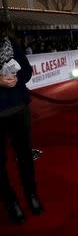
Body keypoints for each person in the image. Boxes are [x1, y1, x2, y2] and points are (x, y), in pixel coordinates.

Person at [0, 19, 43, 224]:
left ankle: (31, 195)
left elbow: (26, 70)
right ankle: (11, 202)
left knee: (25, 156)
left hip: (18, 108)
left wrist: (17, 79)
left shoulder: (10, 44)